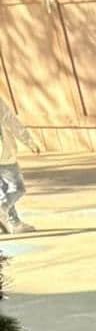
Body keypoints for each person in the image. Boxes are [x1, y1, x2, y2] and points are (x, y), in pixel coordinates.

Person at [0, 95, 39, 234]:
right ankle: (3, 210)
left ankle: (14, 223)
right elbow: (11, 121)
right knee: (18, 188)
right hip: (4, 156)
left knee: (4, 191)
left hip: (4, 154)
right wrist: (29, 142)